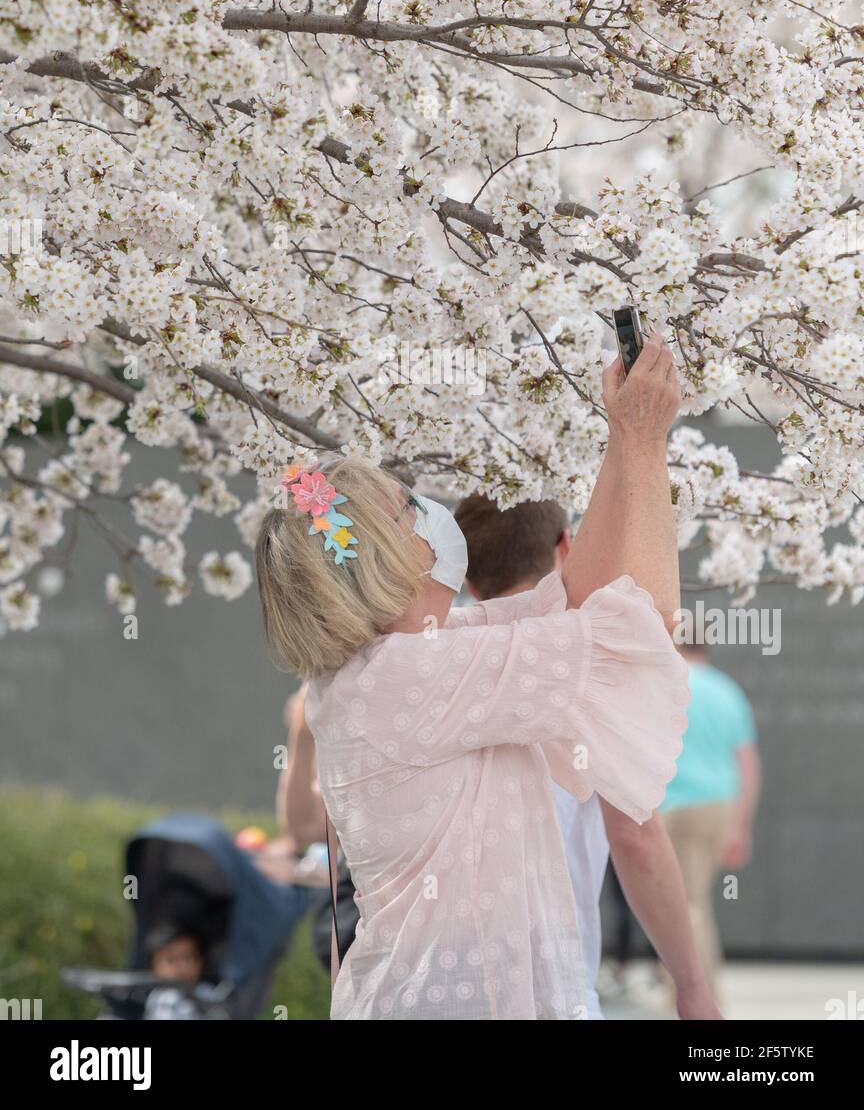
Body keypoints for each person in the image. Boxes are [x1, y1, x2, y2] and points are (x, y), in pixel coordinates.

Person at [255, 334, 719, 1020]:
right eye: (408, 508)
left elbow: (583, 606)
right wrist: (646, 441)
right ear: (392, 559)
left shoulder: (398, 666)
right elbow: (639, 623)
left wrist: (626, 439)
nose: (429, 511)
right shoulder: (416, 675)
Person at [454, 493, 726, 1020]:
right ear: (565, 548)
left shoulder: (422, 659)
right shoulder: (584, 672)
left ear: (467, 579)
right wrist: (691, 985)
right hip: (547, 984)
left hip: (432, 978)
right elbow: (633, 834)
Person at [660, 638, 761, 1006]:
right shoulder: (727, 690)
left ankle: (701, 999)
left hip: (672, 806)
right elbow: (747, 764)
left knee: (684, 904)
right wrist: (740, 824)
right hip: (719, 805)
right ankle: (680, 993)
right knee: (692, 901)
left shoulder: (664, 683)